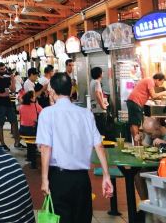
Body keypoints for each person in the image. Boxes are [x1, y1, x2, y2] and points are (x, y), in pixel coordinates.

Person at [36, 73, 113, 223]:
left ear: (52, 90)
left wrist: (44, 179)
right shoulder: (86, 114)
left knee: (61, 218)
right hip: (82, 179)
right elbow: (99, 145)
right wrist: (106, 176)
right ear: (71, 90)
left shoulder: (47, 114)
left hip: (59, 178)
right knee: (82, 218)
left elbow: (45, 147)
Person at [0, 62, 23, 151]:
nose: (3, 70)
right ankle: (2, 144)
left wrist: (13, 80)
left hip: (9, 103)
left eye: (4, 68)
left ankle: (17, 142)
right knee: (0, 124)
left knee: (14, 121)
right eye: (1, 69)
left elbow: (13, 90)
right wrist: (2, 95)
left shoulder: (7, 79)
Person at [127, 73, 166, 143]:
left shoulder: (148, 80)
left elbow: (152, 96)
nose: (161, 84)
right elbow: (154, 95)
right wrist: (164, 93)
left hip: (133, 101)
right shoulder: (150, 81)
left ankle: (135, 143)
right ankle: (136, 144)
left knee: (133, 123)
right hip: (135, 102)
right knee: (135, 123)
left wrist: (161, 96)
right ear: (157, 80)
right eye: (161, 82)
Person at [90, 66, 108, 136]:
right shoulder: (97, 82)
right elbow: (97, 95)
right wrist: (103, 106)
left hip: (94, 109)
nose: (103, 73)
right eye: (102, 72)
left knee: (97, 129)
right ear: (100, 74)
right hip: (99, 110)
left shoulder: (92, 82)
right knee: (101, 130)